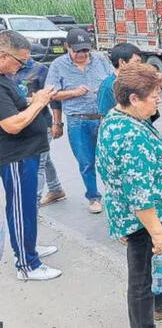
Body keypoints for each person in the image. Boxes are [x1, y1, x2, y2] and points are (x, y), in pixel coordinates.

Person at [96, 63, 162, 326]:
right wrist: (158, 234)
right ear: (133, 99)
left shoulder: (122, 118)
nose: (159, 101)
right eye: (154, 97)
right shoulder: (130, 136)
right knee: (142, 280)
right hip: (144, 221)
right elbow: (139, 196)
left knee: (153, 269)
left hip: (147, 215)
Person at [0, 30, 62, 280]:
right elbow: (12, 124)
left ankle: (28, 249)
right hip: (16, 156)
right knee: (20, 208)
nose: (22, 67)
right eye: (20, 61)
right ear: (3, 55)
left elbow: (14, 107)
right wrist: (38, 103)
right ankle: (27, 265)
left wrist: (35, 99)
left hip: (26, 153)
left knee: (26, 207)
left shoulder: (5, 78)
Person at [45, 28, 114, 214]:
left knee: (110, 160)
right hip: (78, 121)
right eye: (78, 51)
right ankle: (93, 197)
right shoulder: (58, 65)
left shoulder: (100, 60)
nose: (82, 55)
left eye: (86, 50)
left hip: (103, 118)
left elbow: (114, 82)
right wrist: (72, 93)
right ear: (68, 47)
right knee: (86, 161)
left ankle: (115, 195)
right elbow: (50, 94)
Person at [12, 58, 66, 206]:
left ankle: (32, 203)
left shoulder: (40, 70)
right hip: (20, 122)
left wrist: (57, 123)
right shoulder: (6, 69)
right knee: (44, 158)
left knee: (38, 163)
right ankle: (56, 189)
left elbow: (54, 98)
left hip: (41, 123)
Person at [97, 42, 143, 116]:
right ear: (122, 62)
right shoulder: (108, 87)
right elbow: (105, 116)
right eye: (136, 62)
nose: (140, 66)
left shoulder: (137, 82)